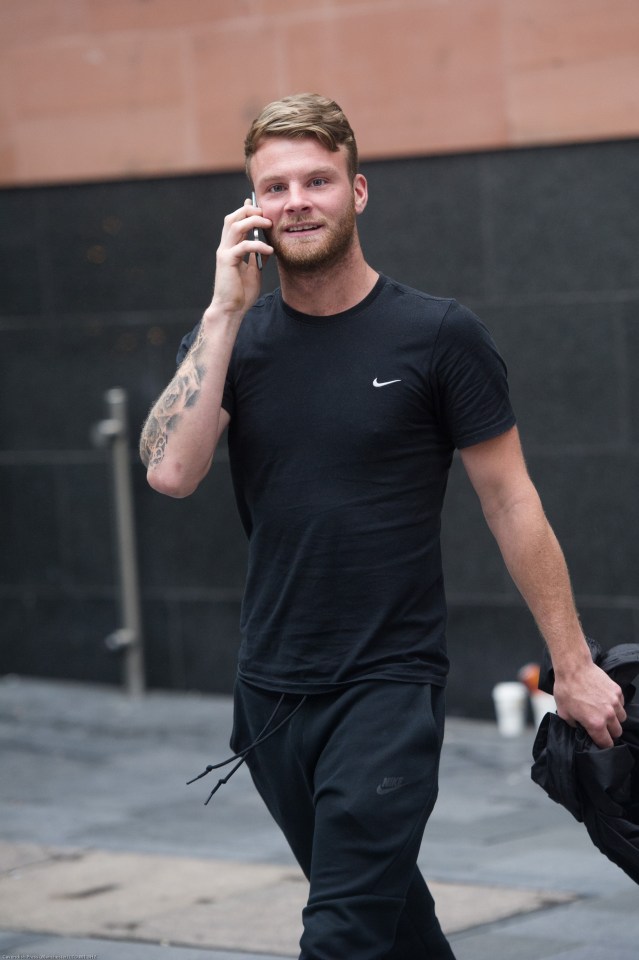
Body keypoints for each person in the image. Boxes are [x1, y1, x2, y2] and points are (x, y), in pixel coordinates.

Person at [139, 93, 626, 960]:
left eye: (316, 180)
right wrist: (220, 313)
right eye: (275, 185)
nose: (296, 201)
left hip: (386, 685)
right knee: (391, 923)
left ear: (356, 191)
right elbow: (171, 473)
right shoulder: (232, 343)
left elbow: (511, 500)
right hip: (269, 694)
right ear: (250, 207)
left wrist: (573, 663)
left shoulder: (438, 336)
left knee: (340, 935)